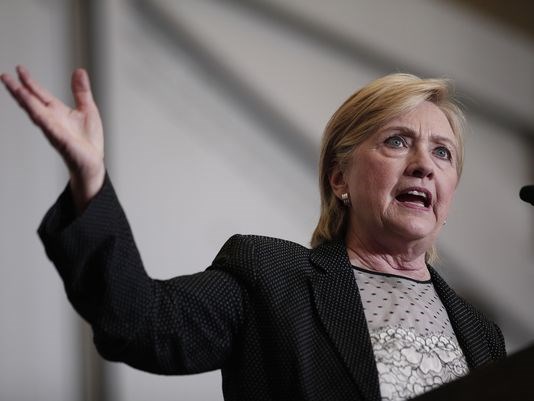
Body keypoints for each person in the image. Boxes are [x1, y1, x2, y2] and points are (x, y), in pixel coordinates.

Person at [1, 66, 506, 401]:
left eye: (442, 152)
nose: (424, 165)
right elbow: (141, 323)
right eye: (398, 141)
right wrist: (90, 181)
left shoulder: (481, 334)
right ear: (339, 179)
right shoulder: (270, 278)